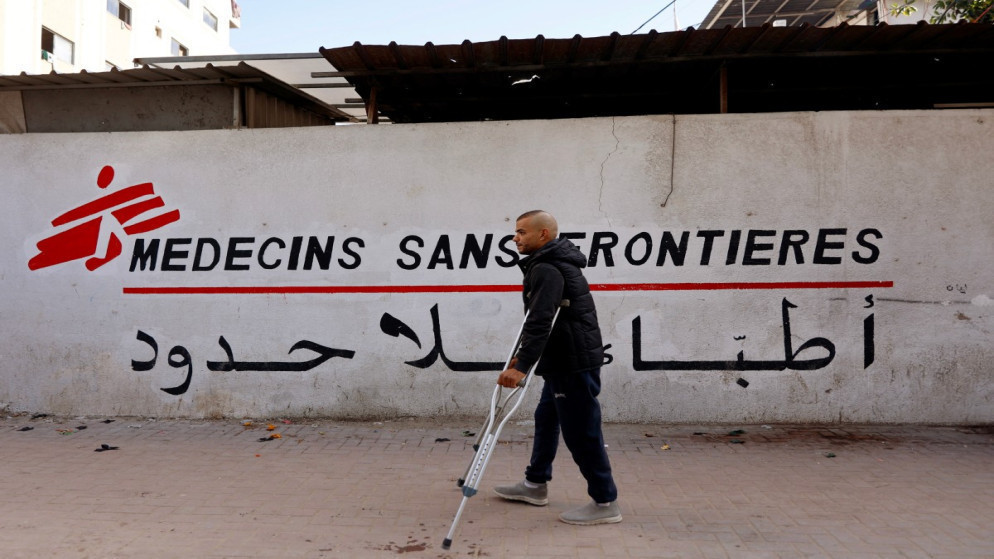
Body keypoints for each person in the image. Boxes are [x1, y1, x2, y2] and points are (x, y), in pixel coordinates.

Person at [494, 210, 621, 525]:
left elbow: (540, 319)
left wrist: (522, 365)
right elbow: (545, 320)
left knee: (581, 432)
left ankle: (605, 502)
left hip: (571, 363)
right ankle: (535, 484)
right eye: (515, 232)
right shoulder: (550, 262)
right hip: (562, 360)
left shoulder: (547, 268)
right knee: (546, 418)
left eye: (522, 232)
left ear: (543, 234)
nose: (515, 238)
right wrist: (523, 356)